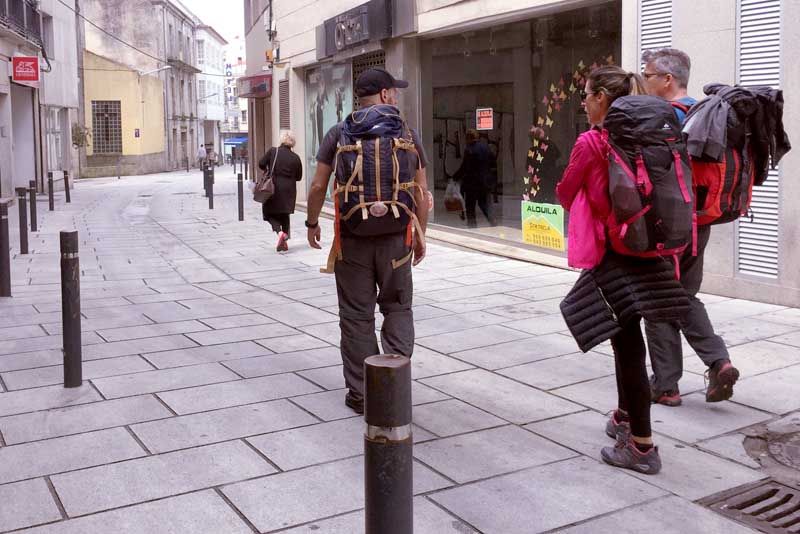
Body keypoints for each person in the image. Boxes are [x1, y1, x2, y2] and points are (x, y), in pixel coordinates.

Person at [558, 66, 690, 475]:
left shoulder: (592, 142)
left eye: (585, 95)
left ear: (601, 98)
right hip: (655, 247)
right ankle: (623, 417)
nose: (582, 102)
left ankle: (642, 446)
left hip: (615, 250)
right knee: (625, 340)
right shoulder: (654, 135)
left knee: (629, 346)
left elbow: (564, 193)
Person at [305, 67, 429, 414]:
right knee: (398, 308)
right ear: (386, 95)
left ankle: (361, 394)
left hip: (353, 242)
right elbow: (422, 192)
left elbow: (316, 186)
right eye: (395, 91)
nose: (397, 96)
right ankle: (393, 386)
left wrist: (312, 222)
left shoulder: (338, 133)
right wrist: (420, 234)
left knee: (357, 317)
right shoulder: (408, 134)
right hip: (396, 242)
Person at [641, 47, 740, 406]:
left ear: (667, 80)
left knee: (659, 300)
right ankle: (715, 364)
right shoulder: (705, 113)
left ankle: (671, 384)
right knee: (683, 295)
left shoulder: (662, 117)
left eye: (648, 75)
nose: (644, 81)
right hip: (700, 224)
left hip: (667, 227)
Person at [258, 131, 303, 252]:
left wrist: (269, 168)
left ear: (282, 140)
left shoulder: (273, 151)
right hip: (289, 190)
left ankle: (280, 233)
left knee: (268, 213)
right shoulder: (296, 157)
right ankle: (284, 241)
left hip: (274, 188)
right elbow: (299, 177)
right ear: (293, 142)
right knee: (285, 214)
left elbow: (261, 163)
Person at [454, 129, 495, 228]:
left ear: (469, 138)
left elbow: (465, 167)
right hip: (485, 182)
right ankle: (492, 221)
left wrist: (455, 177)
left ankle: (472, 226)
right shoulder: (486, 147)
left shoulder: (469, 149)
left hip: (472, 184)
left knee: (470, 206)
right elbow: (493, 161)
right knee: (484, 204)